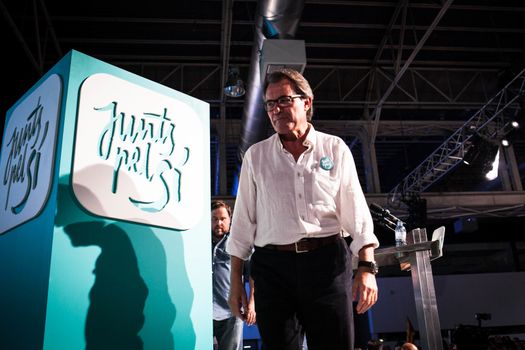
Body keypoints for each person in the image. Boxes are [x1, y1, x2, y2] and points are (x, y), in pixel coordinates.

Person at [226, 68, 380, 350]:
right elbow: (242, 222)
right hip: (273, 270)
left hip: (327, 265)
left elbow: (355, 211)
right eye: (271, 104)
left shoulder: (334, 149)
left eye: (284, 100)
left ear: (307, 102)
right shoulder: (256, 156)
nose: (276, 109)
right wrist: (236, 281)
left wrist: (367, 267)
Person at [212, 200, 255, 350]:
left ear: (230, 220)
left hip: (231, 313)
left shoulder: (237, 243)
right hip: (203, 312)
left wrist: (251, 304)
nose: (218, 223)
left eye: (223, 219)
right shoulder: (199, 242)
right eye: (214, 219)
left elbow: (253, 275)